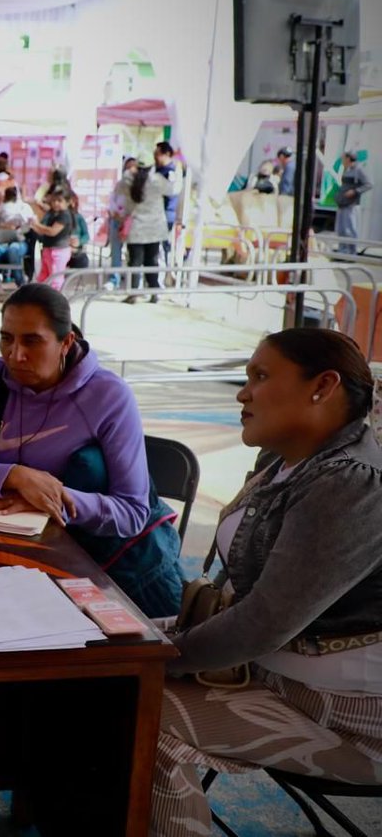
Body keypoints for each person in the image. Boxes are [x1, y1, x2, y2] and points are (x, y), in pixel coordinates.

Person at [152, 328, 382, 837]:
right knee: (105, 654)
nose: (242, 392)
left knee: (141, 716)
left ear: (322, 386)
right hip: (281, 680)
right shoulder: (283, 462)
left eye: (260, 376)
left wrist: (160, 656)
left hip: (348, 716)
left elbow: (263, 622)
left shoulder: (351, 483)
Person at [0, 284, 180, 615]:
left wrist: (49, 498)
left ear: (66, 342)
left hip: (125, 574)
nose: (15, 355)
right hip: (28, 559)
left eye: (32, 340)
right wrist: (15, 476)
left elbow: (131, 513)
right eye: (6, 338)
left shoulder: (108, 396)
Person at [122, 163, 169, 304]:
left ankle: (133, 294)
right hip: (154, 228)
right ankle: (154, 292)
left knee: (134, 262)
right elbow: (173, 189)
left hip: (136, 227)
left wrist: (130, 171)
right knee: (152, 262)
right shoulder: (157, 180)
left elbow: (123, 181)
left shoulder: (129, 180)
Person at [0, 182, 34, 291]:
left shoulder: (24, 207)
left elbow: (29, 225)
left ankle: (20, 283)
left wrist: (17, 226)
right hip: (0, 242)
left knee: (13, 249)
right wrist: (3, 226)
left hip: (18, 240)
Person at [28, 188, 73, 290]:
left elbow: (52, 231)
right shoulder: (52, 214)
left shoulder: (64, 215)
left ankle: (56, 300)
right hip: (47, 249)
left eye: (59, 201)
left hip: (59, 251)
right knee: (43, 277)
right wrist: (35, 226)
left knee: (56, 279)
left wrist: (37, 225)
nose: (56, 203)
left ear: (67, 202)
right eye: (54, 201)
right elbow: (44, 231)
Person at [104, 158, 137, 290]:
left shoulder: (140, 186)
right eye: (128, 167)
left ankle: (133, 281)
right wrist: (115, 214)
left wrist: (127, 217)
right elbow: (112, 200)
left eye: (133, 167)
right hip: (117, 220)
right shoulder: (119, 184)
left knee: (134, 254)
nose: (130, 170)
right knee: (115, 252)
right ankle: (114, 279)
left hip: (132, 222)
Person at [334, 151, 371, 256]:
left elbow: (369, 184)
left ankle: (351, 251)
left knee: (349, 228)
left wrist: (355, 191)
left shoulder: (358, 170)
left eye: (343, 159)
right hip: (342, 202)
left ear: (348, 159)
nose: (342, 161)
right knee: (341, 229)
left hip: (351, 204)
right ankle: (342, 251)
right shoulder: (346, 169)